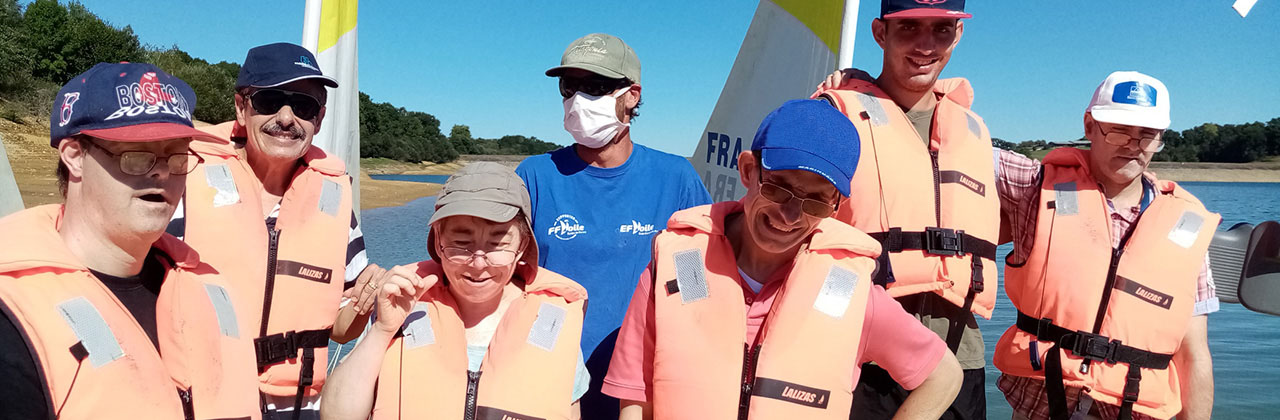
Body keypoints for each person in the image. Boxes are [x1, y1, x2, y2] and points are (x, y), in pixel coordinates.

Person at [604, 99, 962, 419]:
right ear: (748, 170)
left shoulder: (850, 292)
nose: (790, 216)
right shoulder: (675, 269)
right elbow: (635, 402)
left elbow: (943, 375)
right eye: (778, 188)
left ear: (835, 206)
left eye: (816, 201)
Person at [0, 63, 259, 419]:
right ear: (75, 157)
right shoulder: (13, 320)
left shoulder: (208, 287)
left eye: (177, 156)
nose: (163, 171)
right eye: (137, 155)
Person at [992, 71, 1218, 420]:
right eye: (1119, 130)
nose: (1132, 144)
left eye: (1147, 135)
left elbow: (1194, 355)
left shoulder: (1186, 227)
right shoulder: (1036, 188)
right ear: (1089, 125)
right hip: (1043, 403)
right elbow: (955, 146)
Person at [811, 1, 998, 418]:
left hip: (960, 356)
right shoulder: (835, 117)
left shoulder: (975, 132)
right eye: (909, 27)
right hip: (859, 354)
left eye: (941, 30)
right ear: (880, 33)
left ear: (958, 35)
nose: (925, 45)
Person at [172, 42, 379, 419]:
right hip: (198, 400)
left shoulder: (334, 200)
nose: (286, 118)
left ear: (319, 119)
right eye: (269, 101)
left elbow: (341, 329)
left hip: (297, 406)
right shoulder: (183, 183)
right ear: (241, 107)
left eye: (303, 106)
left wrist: (369, 302)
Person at [517, 32, 712, 415]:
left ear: (632, 95)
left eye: (595, 86)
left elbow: (698, 285)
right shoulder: (535, 176)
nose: (578, 98)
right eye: (569, 86)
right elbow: (494, 272)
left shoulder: (675, 178)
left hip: (639, 390)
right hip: (549, 380)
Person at [320, 162, 590, 420]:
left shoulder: (551, 323)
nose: (479, 263)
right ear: (438, 241)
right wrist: (382, 330)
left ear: (522, 245)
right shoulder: (400, 307)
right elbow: (336, 415)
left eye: (497, 244)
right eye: (461, 243)